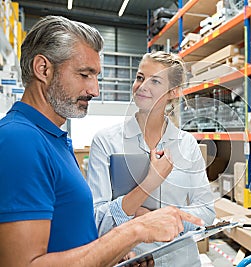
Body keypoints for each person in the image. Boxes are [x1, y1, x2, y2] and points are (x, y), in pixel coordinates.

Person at [0, 15, 204, 267]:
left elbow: (72, 236)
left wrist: (113, 255)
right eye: (85, 74)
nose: (95, 90)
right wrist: (135, 230)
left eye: (96, 77)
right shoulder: (19, 140)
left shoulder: (53, 139)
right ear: (43, 69)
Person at [86, 51, 216, 266]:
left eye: (155, 81)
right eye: (140, 77)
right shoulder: (106, 142)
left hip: (181, 261)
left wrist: (152, 216)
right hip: (130, 259)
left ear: (173, 92)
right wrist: (148, 185)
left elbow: (207, 213)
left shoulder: (187, 145)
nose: (142, 86)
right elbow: (97, 221)